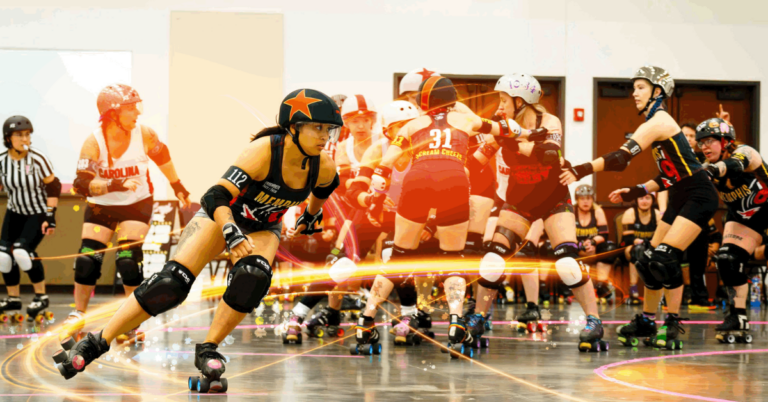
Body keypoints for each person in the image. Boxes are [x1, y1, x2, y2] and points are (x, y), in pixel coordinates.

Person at [53, 88, 343, 388]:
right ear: (293, 126)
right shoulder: (264, 150)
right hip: (220, 215)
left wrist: (311, 215)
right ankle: (97, 342)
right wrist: (230, 229)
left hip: (262, 227)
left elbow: (324, 189)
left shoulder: (323, 164)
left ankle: (208, 349)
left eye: (328, 129)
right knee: (171, 283)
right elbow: (215, 195)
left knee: (252, 277)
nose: (324, 136)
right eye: (317, 128)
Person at [358, 76, 538, 356]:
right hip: (454, 179)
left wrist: (376, 195)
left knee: (398, 257)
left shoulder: (411, 124)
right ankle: (455, 325)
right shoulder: (463, 120)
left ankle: (365, 322)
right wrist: (526, 133)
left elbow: (385, 167)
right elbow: (505, 129)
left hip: (418, 179)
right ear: (452, 100)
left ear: (422, 102)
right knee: (453, 259)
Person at [561, 65, 719, 350]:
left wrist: (581, 169)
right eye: (633, 88)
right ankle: (647, 320)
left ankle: (671, 323)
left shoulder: (659, 121)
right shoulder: (655, 123)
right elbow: (671, 175)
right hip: (680, 194)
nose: (634, 93)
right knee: (647, 261)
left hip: (700, 195)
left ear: (657, 92)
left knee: (664, 259)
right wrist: (637, 190)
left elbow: (621, 158)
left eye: (640, 87)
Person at [475, 73, 606, 352]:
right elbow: (476, 162)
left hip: (552, 198)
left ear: (521, 102)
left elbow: (549, 153)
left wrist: (514, 137)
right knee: (492, 259)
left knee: (566, 263)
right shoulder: (500, 126)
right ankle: (477, 317)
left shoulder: (549, 122)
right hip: (519, 200)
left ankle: (594, 320)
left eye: (503, 100)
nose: (498, 107)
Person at [63, 84, 191, 342]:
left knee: (127, 259)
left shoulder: (144, 134)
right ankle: (78, 314)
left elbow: (162, 157)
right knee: (89, 257)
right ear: (112, 114)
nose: (136, 113)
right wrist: (115, 184)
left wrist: (178, 185)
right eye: (130, 108)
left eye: (136, 107)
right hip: (102, 205)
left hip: (137, 203)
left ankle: (131, 320)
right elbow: (81, 185)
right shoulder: (94, 141)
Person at [696, 117, 768, 343]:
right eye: (701, 143)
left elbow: (735, 165)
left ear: (726, 141)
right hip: (745, 219)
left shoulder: (747, 152)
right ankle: (738, 317)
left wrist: (711, 170)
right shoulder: (705, 164)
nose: (704, 146)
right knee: (727, 259)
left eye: (709, 141)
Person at [0, 115, 60, 323]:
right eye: (19, 135)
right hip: (14, 213)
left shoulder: (37, 159)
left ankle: (41, 296)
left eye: (27, 135)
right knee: (3, 256)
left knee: (22, 252)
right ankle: (13, 298)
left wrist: (50, 216)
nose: (25, 139)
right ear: (8, 139)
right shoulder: (2, 161)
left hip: (36, 213)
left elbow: (54, 186)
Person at [679, 121, 714, 307]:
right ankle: (678, 296)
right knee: (675, 256)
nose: (688, 139)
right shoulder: (673, 158)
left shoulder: (704, 159)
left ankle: (700, 297)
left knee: (698, 258)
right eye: (684, 135)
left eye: (692, 136)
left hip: (700, 214)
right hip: (679, 213)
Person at [573, 184, 617, 304]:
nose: (586, 201)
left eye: (588, 198)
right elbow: (565, 234)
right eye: (582, 198)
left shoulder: (598, 211)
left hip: (594, 248)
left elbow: (604, 234)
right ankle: (566, 288)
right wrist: (580, 245)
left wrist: (592, 242)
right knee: (562, 248)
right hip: (576, 247)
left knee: (610, 248)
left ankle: (601, 285)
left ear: (593, 199)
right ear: (577, 200)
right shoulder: (571, 212)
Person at [620, 193, 661, 305]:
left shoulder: (657, 214)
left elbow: (662, 236)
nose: (644, 201)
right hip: (631, 248)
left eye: (647, 198)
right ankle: (633, 289)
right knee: (638, 250)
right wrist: (638, 241)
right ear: (636, 200)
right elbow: (626, 239)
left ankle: (658, 291)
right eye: (641, 197)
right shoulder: (630, 213)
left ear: (653, 200)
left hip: (652, 248)